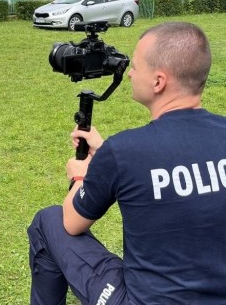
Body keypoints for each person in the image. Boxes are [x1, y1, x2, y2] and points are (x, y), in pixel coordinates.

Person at [28, 22, 226, 304]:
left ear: (158, 81)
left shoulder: (125, 151)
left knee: (48, 220)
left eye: (136, 66)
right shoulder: (122, 152)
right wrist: (108, 153)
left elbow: (72, 224)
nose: (130, 72)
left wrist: (80, 177)